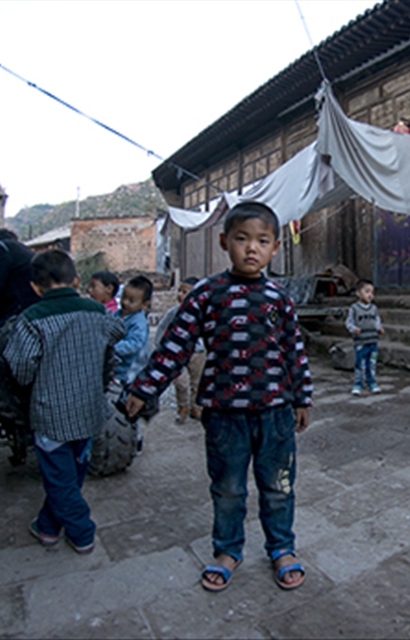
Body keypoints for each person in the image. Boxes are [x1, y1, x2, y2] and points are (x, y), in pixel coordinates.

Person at [125, 201, 312, 592]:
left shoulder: (279, 298)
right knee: (227, 488)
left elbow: (294, 351)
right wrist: (144, 389)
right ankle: (227, 550)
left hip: (275, 413)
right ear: (225, 241)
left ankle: (282, 548)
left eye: (262, 241)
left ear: (275, 247)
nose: (251, 249)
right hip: (224, 414)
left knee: (279, 485)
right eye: (242, 239)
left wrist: (302, 397)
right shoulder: (206, 294)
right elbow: (176, 346)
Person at [2, 249, 124, 555]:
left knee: (59, 478)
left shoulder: (31, 319)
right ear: (77, 279)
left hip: (51, 414)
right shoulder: (96, 312)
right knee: (71, 473)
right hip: (89, 410)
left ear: (35, 287)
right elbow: (117, 331)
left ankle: (82, 533)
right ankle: (46, 526)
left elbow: (21, 367)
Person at [153, 276, 206, 424]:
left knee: (198, 382)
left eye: (185, 292)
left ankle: (196, 408)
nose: (181, 295)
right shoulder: (173, 313)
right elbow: (162, 329)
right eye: (180, 291)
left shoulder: (203, 313)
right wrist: (160, 346)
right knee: (180, 382)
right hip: (177, 353)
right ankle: (182, 407)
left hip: (198, 353)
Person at [345, 279, 384, 395]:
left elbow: (377, 320)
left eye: (372, 292)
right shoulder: (354, 308)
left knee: (371, 363)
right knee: (360, 364)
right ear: (358, 293)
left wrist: (379, 328)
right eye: (367, 291)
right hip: (360, 342)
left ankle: (371, 382)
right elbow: (349, 322)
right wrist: (353, 329)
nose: (370, 295)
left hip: (373, 340)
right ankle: (357, 384)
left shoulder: (374, 308)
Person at [112, 275, 152, 385]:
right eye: (124, 298)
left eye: (131, 301)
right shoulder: (117, 315)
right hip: (117, 367)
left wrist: (112, 347)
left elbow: (134, 343)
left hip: (131, 369)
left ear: (144, 304)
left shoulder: (138, 322)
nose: (125, 302)